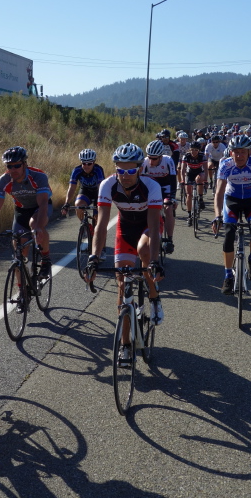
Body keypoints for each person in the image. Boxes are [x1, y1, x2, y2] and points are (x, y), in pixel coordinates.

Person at [85, 144, 165, 365]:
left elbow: (154, 225)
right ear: (115, 168)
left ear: (140, 169)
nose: (125, 175)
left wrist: (155, 262)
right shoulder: (107, 185)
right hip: (125, 228)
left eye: (131, 171)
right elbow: (101, 225)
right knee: (122, 284)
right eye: (121, 170)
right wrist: (94, 257)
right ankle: (125, 345)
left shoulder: (151, 187)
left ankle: (153, 294)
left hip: (148, 227)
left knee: (144, 250)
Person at [211, 135, 251, 294]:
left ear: (249, 152)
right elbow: (218, 193)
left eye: (242, 152)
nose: (239, 155)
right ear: (230, 153)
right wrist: (217, 216)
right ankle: (228, 275)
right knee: (229, 234)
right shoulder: (225, 165)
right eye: (235, 152)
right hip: (232, 201)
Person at [0, 146, 52, 278]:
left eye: (17, 165)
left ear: (24, 164)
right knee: (19, 253)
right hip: (22, 209)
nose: (13, 170)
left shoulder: (38, 177)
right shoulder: (3, 180)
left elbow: (43, 204)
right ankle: (21, 292)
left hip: (40, 206)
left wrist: (39, 227)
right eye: (9, 166)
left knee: (34, 224)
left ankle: (46, 259)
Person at [61, 148, 106, 225]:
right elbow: (72, 187)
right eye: (84, 163)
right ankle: (85, 226)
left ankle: (96, 229)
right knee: (78, 205)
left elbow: (101, 187)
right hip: (85, 191)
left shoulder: (98, 170)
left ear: (94, 162)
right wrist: (67, 203)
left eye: (89, 163)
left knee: (97, 218)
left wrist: (100, 202)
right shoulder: (77, 170)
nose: (86, 166)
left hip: (97, 192)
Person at [179, 140, 208, 223]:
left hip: (199, 172)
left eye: (196, 150)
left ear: (198, 150)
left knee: (199, 179)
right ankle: (189, 215)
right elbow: (183, 170)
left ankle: (201, 198)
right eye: (192, 149)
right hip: (189, 173)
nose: (193, 152)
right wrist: (182, 180)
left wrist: (205, 180)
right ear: (189, 150)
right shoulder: (186, 156)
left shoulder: (202, 156)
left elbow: (205, 169)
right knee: (189, 194)